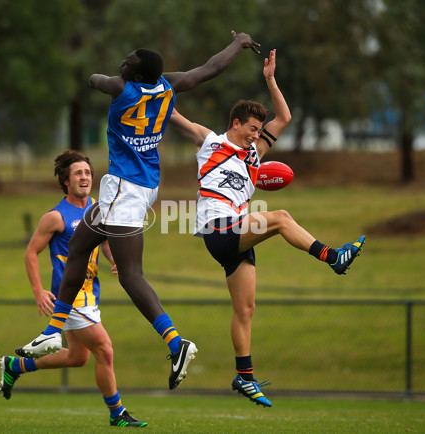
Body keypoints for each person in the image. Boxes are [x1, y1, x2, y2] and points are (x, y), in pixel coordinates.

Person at [16, 30, 261, 391]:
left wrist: (101, 77)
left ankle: (177, 343)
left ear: (136, 73)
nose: (124, 61)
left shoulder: (122, 89)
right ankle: (53, 331)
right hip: (143, 185)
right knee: (79, 249)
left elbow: (95, 80)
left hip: (124, 191)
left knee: (130, 274)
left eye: (129, 61)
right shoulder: (168, 85)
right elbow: (209, 69)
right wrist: (238, 43)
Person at [168, 49, 366, 407]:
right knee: (281, 217)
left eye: (260, 131)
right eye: (252, 129)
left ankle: (244, 377)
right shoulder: (210, 141)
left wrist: (271, 79)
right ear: (235, 124)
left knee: (245, 310)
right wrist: (151, 89)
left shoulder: (254, 153)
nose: (256, 136)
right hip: (217, 227)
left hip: (238, 232)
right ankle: (334, 256)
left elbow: (285, 116)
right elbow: (173, 115)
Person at [0, 150, 146, 428]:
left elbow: (103, 243)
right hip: (71, 298)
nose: (85, 177)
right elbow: (30, 253)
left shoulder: (98, 208)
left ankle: (14, 366)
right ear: (66, 181)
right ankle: (118, 414)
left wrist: (117, 261)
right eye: (78, 173)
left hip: (91, 294)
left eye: (88, 173)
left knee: (79, 357)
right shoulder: (55, 216)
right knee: (105, 350)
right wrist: (38, 291)